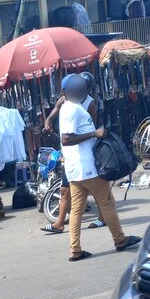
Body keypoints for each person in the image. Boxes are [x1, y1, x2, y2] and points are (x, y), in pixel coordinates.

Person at [58, 74, 141, 262]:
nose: (81, 91)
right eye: (76, 89)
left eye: (82, 88)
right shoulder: (73, 110)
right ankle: (120, 240)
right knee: (107, 203)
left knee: (77, 210)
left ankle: (75, 250)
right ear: (65, 92)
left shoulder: (68, 107)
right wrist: (94, 133)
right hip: (86, 167)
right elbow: (67, 139)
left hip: (76, 170)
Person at [42, 72, 107, 233]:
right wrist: (48, 122)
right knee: (66, 190)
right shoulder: (65, 99)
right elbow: (52, 115)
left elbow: (91, 128)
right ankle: (60, 224)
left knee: (96, 189)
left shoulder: (89, 103)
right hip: (70, 155)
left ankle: (103, 218)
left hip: (83, 154)